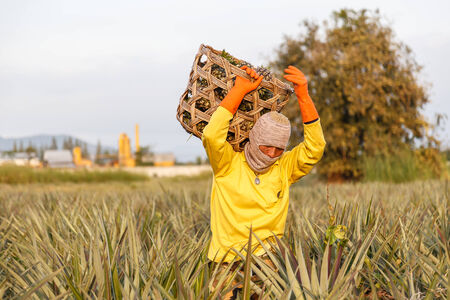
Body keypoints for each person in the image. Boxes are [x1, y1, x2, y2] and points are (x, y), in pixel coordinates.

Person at [202, 65, 326, 299]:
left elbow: (315, 148)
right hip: (225, 260)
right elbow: (212, 135)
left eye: (278, 149)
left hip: (269, 260)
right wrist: (239, 91)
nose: (271, 154)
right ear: (255, 137)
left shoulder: (284, 167)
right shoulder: (227, 163)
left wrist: (303, 96)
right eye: (266, 146)